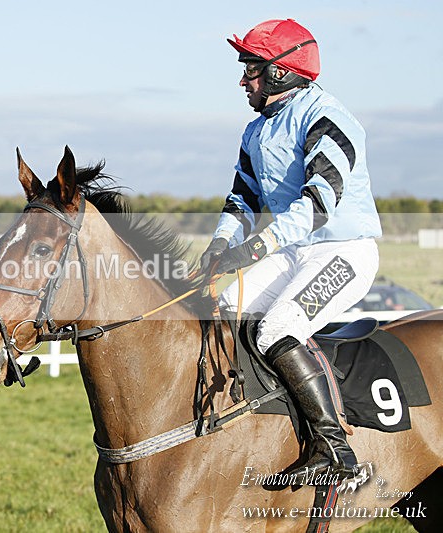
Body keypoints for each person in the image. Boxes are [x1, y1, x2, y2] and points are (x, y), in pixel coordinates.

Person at [199, 19, 382, 479]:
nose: (244, 80)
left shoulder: (328, 117)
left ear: (281, 72)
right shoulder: (255, 131)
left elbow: (318, 204)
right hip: (293, 252)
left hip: (344, 251)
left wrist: (256, 248)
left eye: (252, 69)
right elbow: (241, 200)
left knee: (278, 326)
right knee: (223, 304)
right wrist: (221, 244)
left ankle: (335, 450)